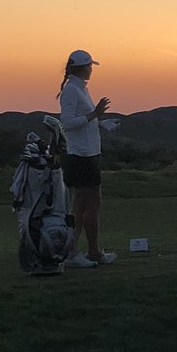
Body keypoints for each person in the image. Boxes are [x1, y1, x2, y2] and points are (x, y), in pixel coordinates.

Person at [57, 49, 119, 268]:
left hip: (89, 154)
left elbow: (81, 122)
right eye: (89, 65)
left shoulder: (80, 88)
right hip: (81, 156)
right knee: (88, 207)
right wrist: (95, 115)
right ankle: (86, 253)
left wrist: (101, 123)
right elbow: (67, 123)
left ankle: (77, 252)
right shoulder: (72, 91)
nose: (91, 69)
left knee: (85, 205)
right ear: (81, 67)